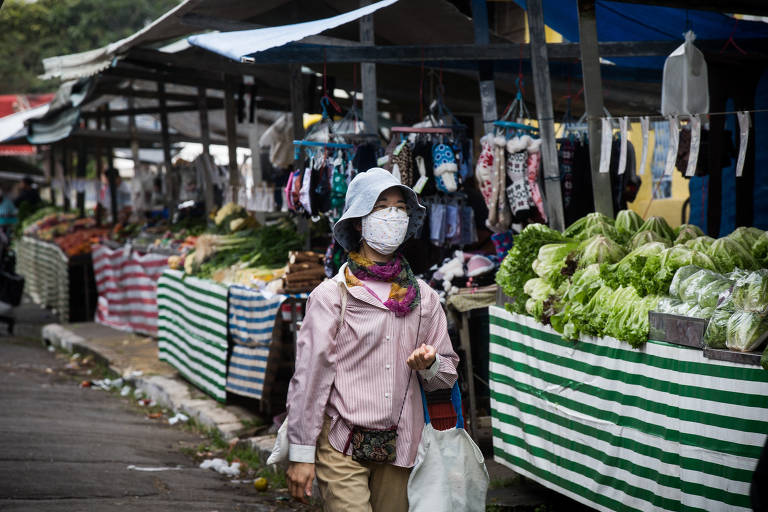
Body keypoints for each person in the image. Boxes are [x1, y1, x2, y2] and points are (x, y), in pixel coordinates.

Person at [285, 167, 459, 511]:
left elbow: (447, 373)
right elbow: (310, 380)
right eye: (382, 206)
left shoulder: (424, 298)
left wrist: (430, 364)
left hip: (401, 446)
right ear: (358, 222)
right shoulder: (332, 296)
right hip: (341, 444)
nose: (393, 215)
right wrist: (302, 454)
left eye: (400, 207)